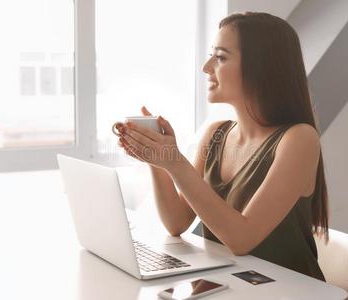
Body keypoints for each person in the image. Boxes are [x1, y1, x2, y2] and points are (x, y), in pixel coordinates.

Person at [116, 11, 328, 281]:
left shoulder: (299, 139)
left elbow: (242, 239)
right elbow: (176, 222)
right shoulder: (216, 134)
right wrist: (157, 160)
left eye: (220, 57)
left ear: (261, 67)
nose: (206, 67)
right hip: (234, 285)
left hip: (290, 291)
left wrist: (176, 163)